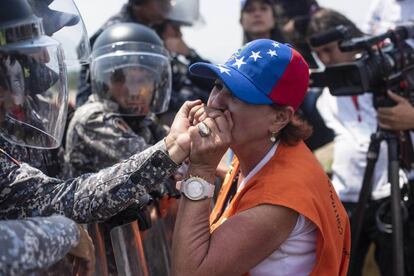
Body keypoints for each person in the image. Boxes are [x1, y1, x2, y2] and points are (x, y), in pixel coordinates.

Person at [0, 0, 197, 272]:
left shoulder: (35, 112)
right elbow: (63, 202)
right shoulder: (91, 118)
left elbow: (52, 198)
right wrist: (63, 232)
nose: (45, 58)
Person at [171, 39, 350, 275]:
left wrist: (200, 172)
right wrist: (189, 154)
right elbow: (249, 181)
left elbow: (189, 273)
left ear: (279, 118)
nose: (215, 102)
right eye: (218, 85)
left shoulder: (280, 202)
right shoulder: (270, 150)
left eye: (238, 95)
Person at [307, 8, 411, 276]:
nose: (325, 59)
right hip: (346, 200)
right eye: (319, 54)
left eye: (330, 50)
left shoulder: (394, 80)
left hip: (395, 193)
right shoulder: (324, 99)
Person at [76, 0, 172, 107]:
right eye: (162, 1)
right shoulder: (117, 28)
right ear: (140, 3)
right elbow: (84, 52)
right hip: (104, 106)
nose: (168, 5)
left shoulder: (154, 28)